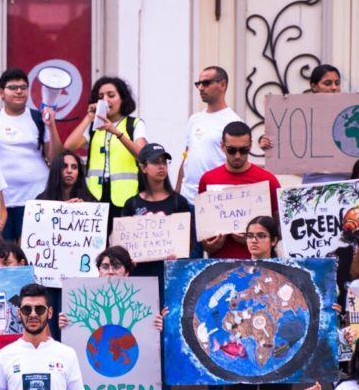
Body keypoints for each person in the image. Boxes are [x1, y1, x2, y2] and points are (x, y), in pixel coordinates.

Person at [0, 283, 84, 390]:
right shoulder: (2, 356)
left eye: (39, 309)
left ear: (50, 313)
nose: (33, 314)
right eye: (27, 309)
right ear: (19, 313)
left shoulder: (68, 354)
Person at [0, 68, 61, 242]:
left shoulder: (39, 118)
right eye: (13, 88)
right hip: (0, 200)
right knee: (2, 251)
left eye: (23, 87)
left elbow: (55, 158)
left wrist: (51, 126)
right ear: (1, 93)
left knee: (31, 248)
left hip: (35, 196)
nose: (19, 91)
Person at [63, 76, 148, 219]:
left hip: (126, 197)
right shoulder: (94, 126)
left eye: (111, 95)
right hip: (95, 195)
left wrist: (117, 133)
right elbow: (68, 147)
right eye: (101, 97)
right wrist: (89, 117)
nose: (105, 100)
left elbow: (143, 156)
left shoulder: (134, 124)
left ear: (122, 99)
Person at [198, 121, 281, 259]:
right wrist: (207, 246)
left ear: (250, 146)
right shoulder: (208, 179)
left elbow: (280, 225)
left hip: (258, 263)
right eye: (232, 150)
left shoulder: (268, 180)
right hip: (219, 261)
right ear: (222, 146)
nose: (237, 156)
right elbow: (203, 227)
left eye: (243, 150)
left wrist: (254, 237)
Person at [121, 143, 194, 279]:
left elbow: (189, 241)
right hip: (140, 276)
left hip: (171, 276)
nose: (161, 166)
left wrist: (179, 253)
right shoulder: (131, 204)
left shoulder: (179, 202)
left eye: (164, 162)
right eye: (155, 162)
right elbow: (122, 244)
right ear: (143, 167)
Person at [177, 66, 242, 208]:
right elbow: (186, 157)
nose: (201, 88)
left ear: (222, 85)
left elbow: (238, 162)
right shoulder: (194, 119)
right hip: (187, 198)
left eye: (206, 83)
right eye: (198, 84)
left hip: (215, 201)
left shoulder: (233, 121)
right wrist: (176, 195)